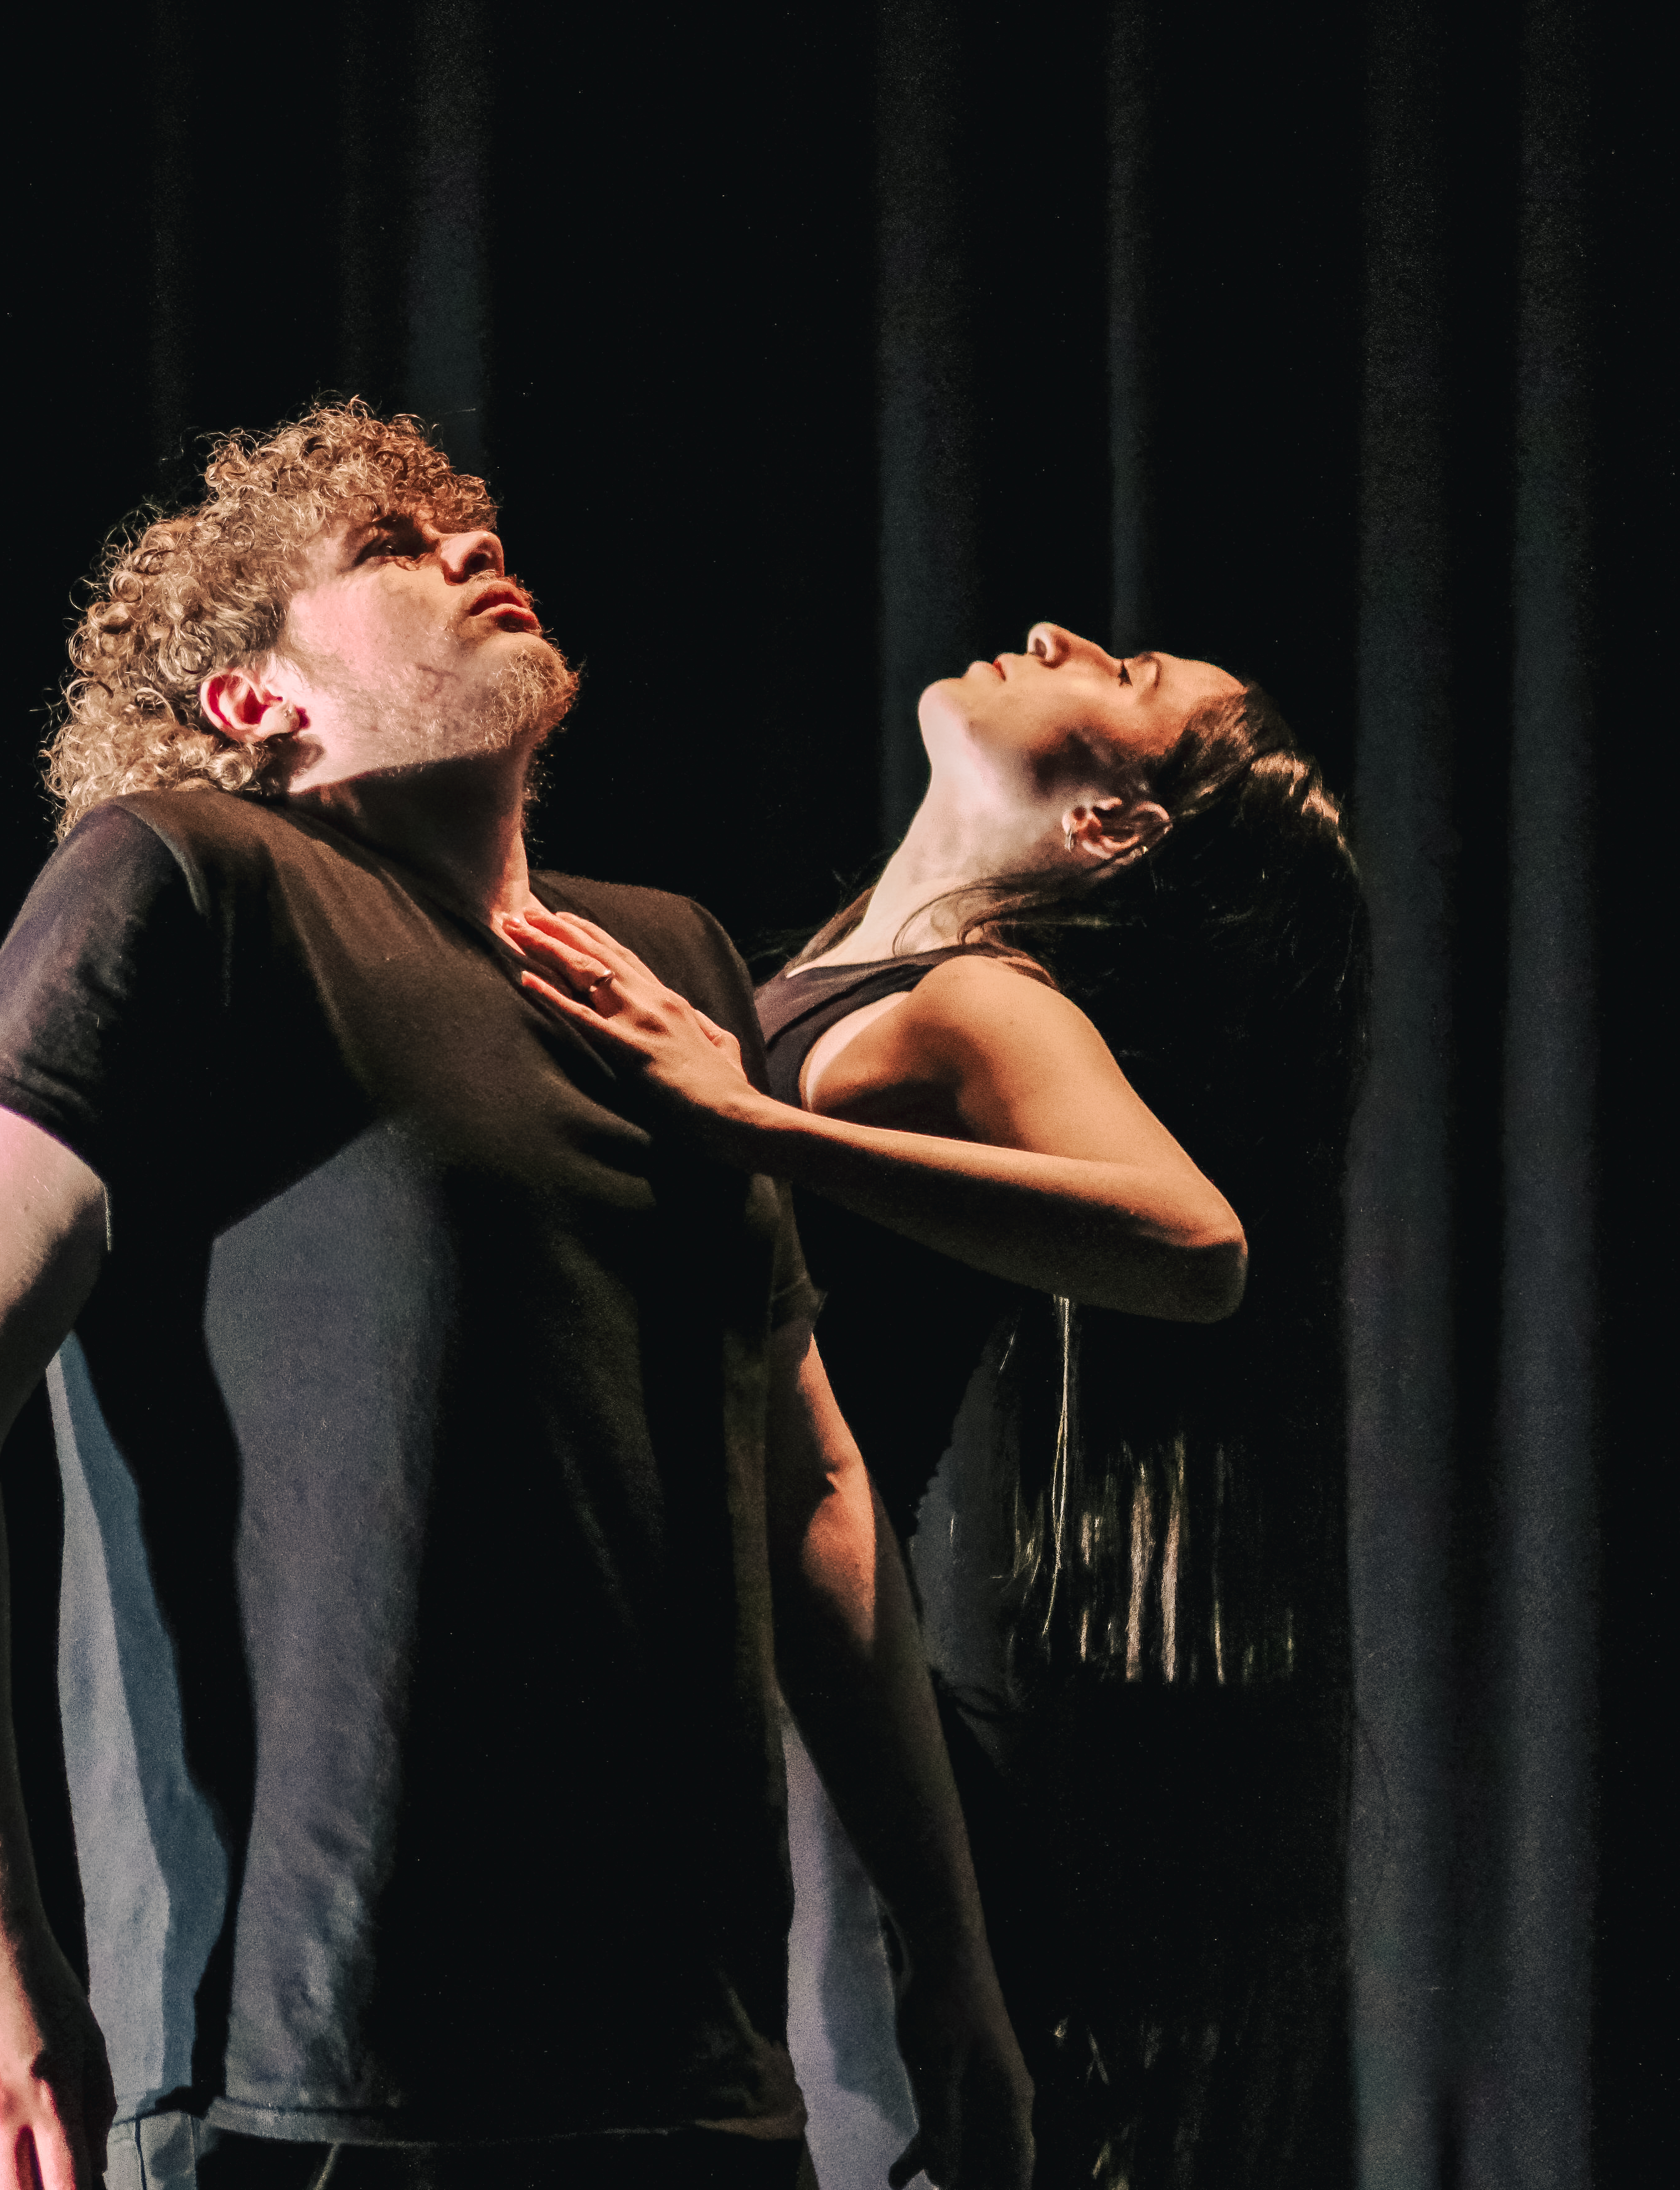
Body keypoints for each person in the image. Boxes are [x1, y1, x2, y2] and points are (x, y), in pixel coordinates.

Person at [0, 401, 1039, 2190]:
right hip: (308, 2065)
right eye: (390, 548)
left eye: (471, 524)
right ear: (255, 699)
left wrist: (946, 1957)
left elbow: (811, 1489)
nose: (474, 546)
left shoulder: (668, 963)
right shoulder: (190, 881)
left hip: (685, 2068)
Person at [499, 623, 1366, 2188]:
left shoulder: (976, 1002)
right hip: (707, 1663)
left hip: (801, 1697)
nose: (1054, 638)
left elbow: (1194, 1247)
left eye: (1122, 678)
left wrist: (750, 1122)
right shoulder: (827, 974)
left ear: (1109, 822)